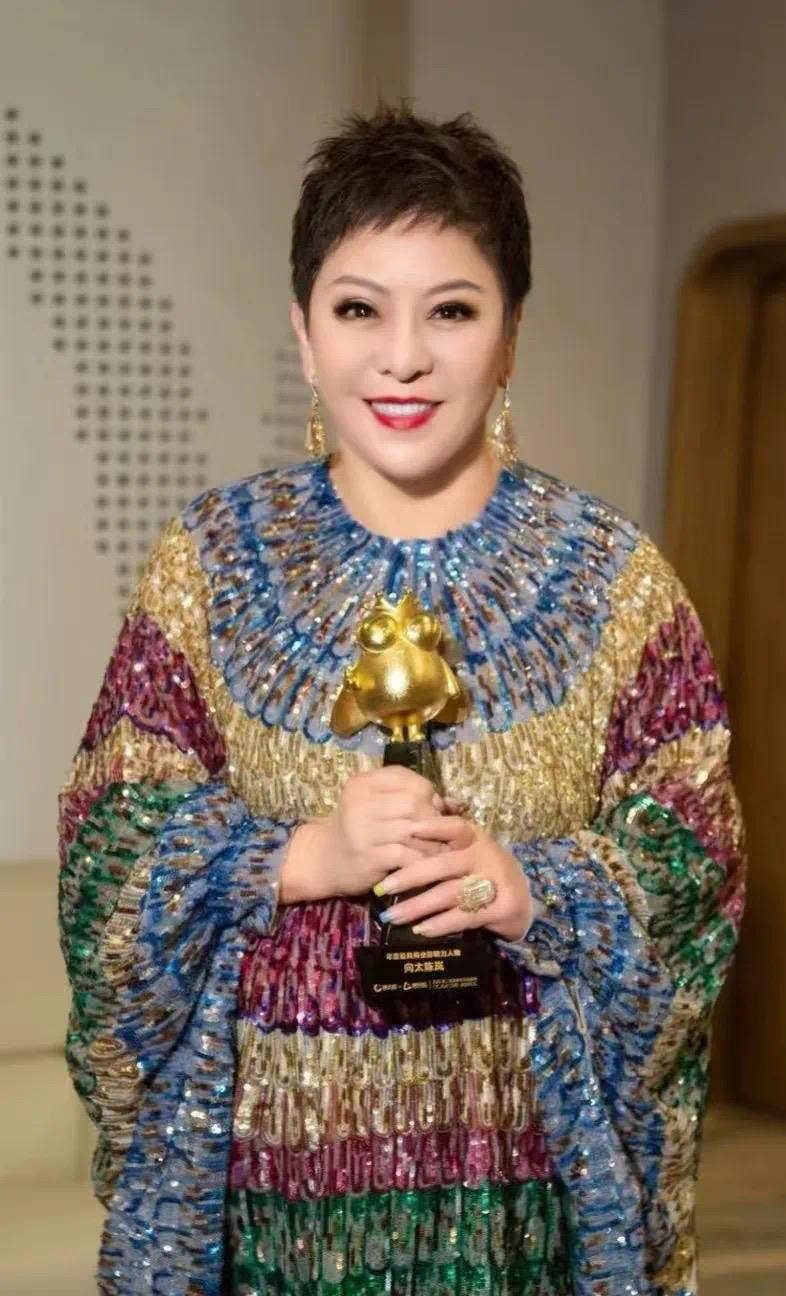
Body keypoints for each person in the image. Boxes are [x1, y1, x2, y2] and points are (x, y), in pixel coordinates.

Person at [58, 103, 745, 1296]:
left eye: (454, 311)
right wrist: (295, 858)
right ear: (304, 331)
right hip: (261, 1212)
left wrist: (536, 890)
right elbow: (108, 840)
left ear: (511, 334)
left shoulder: (615, 580)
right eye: (359, 309)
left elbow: (696, 854)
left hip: (521, 1208)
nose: (404, 358)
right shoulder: (208, 565)